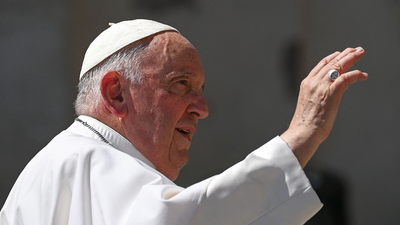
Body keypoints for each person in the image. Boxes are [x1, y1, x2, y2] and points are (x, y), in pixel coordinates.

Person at [0, 19, 368, 225]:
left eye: (200, 88)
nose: (202, 108)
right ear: (115, 94)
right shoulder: (83, 160)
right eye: (181, 84)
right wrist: (302, 134)